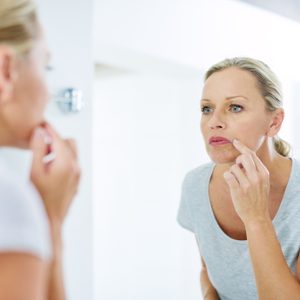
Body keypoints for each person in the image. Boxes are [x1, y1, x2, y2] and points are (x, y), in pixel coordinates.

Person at [177, 57, 300, 300]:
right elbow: (207, 271)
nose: (214, 122)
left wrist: (256, 218)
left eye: (234, 107)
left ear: (274, 122)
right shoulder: (195, 185)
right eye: (206, 109)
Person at [0, 1, 80, 299]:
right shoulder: (8, 200)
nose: (48, 92)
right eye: (45, 66)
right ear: (6, 70)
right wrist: (50, 218)